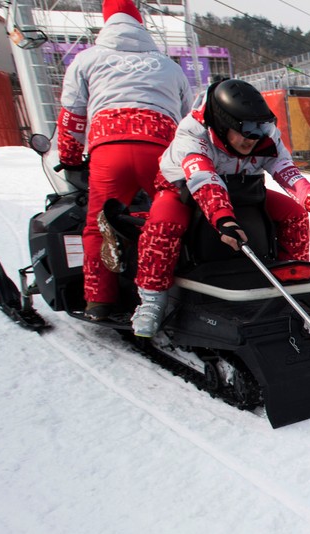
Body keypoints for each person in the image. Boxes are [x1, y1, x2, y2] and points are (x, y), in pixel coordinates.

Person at [130, 78, 310, 338]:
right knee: (164, 223)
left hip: (242, 190)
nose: (253, 138)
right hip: (183, 191)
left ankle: (294, 283)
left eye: (260, 128)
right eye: (246, 129)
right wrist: (225, 220)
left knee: (293, 213)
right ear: (224, 125)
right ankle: (153, 298)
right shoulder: (194, 137)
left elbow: (292, 179)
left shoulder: (264, 138)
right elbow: (204, 181)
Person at [56, 0, 192, 320]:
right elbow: (188, 116)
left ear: (106, 24)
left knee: (98, 226)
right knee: (168, 218)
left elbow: (72, 117)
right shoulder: (169, 66)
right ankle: (170, 288)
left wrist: (71, 158)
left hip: (109, 150)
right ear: (140, 24)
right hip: (160, 149)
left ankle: (100, 300)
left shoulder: (87, 59)